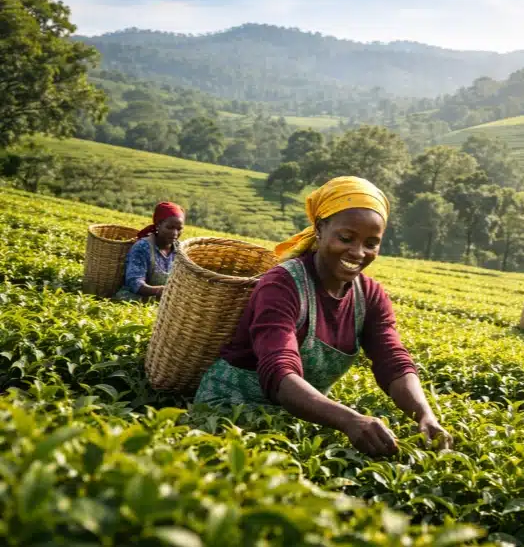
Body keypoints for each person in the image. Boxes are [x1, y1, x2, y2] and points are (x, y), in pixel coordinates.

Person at [194, 176, 453, 457]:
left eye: (371, 243)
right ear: (319, 229)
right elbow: (279, 369)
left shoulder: (370, 295)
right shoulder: (282, 284)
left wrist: (425, 415)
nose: (358, 252)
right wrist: (349, 420)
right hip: (229, 412)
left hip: (300, 416)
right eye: (346, 238)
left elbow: (393, 360)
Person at [115, 202, 185, 301]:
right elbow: (134, 282)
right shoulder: (143, 247)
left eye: (179, 229)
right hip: (134, 299)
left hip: (164, 300)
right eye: (170, 227)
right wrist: (159, 291)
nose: (175, 233)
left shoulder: (181, 250)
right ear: (158, 225)